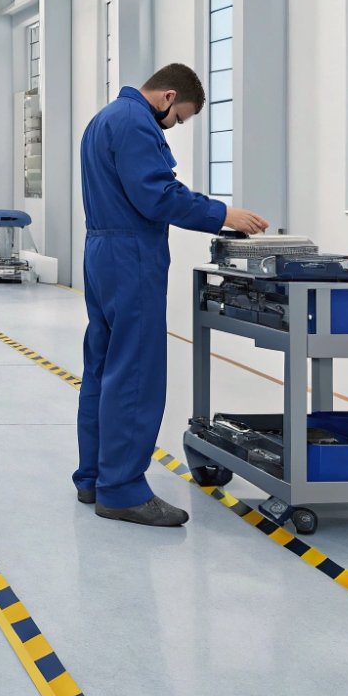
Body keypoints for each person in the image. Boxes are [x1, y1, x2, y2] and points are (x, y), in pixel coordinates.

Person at [74, 64, 268, 526]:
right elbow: (157, 196)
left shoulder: (102, 120)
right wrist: (225, 213)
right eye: (178, 118)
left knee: (103, 367)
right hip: (131, 257)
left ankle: (95, 477)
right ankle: (121, 490)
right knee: (135, 373)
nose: (174, 125)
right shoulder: (136, 122)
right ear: (166, 97)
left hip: (101, 252)